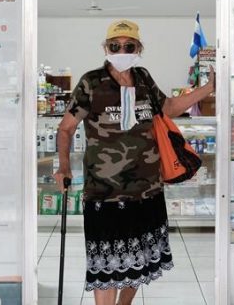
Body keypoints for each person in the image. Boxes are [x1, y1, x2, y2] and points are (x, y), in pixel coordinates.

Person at [54, 19, 215, 305]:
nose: (122, 50)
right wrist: (63, 167)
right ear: (106, 47)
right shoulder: (91, 82)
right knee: (106, 266)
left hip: (147, 190)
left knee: (142, 260)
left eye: (129, 45)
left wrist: (207, 89)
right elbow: (65, 128)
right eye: (115, 45)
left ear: (138, 48)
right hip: (104, 192)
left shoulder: (143, 78)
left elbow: (169, 108)